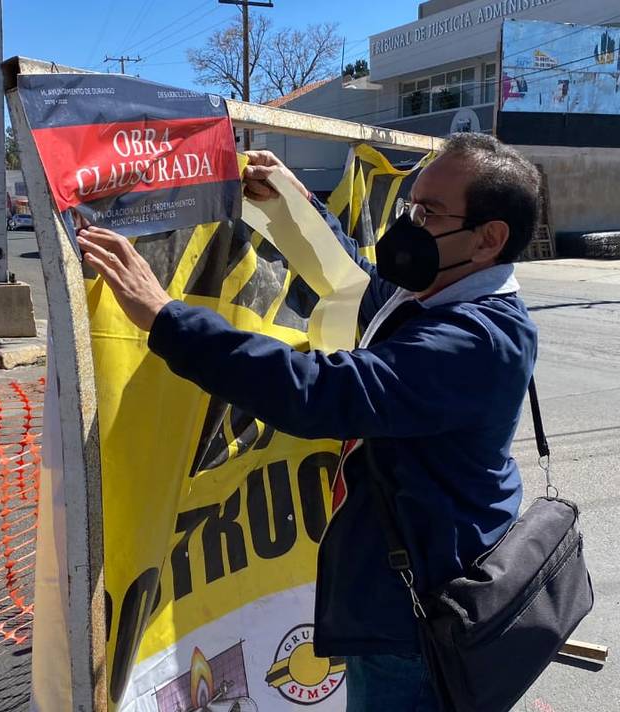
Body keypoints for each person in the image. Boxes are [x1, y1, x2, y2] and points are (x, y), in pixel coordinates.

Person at [77, 133, 540, 712]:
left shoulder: (474, 339)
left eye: (429, 213)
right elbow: (362, 289)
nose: (410, 226)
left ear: (489, 238)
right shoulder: (438, 295)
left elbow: (321, 390)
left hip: (418, 620)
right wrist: (296, 207)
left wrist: (167, 319)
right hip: (411, 584)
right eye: (409, 206)